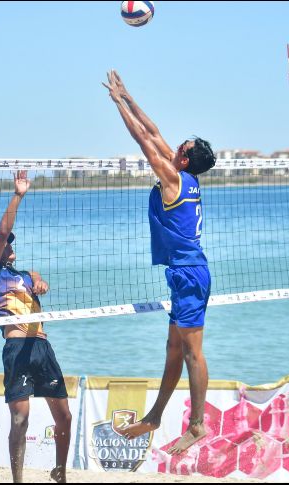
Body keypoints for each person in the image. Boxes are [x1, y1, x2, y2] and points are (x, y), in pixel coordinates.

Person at [102, 70, 216, 455]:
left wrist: (117, 104)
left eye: (179, 145)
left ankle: (197, 424)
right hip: (183, 273)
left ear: (182, 157)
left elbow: (141, 138)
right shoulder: (184, 175)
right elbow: (152, 130)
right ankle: (154, 417)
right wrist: (129, 95)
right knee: (173, 351)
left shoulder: (171, 177)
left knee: (192, 353)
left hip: (189, 274)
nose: (172, 145)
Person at [0, 170, 72, 484]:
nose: (9, 246)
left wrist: (42, 284)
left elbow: (40, 281)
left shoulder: (27, 273)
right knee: (20, 420)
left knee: (65, 417)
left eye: (8, 246)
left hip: (42, 346)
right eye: (4, 246)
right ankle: (18, 480)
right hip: (17, 347)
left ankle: (60, 473)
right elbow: (3, 232)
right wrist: (18, 195)